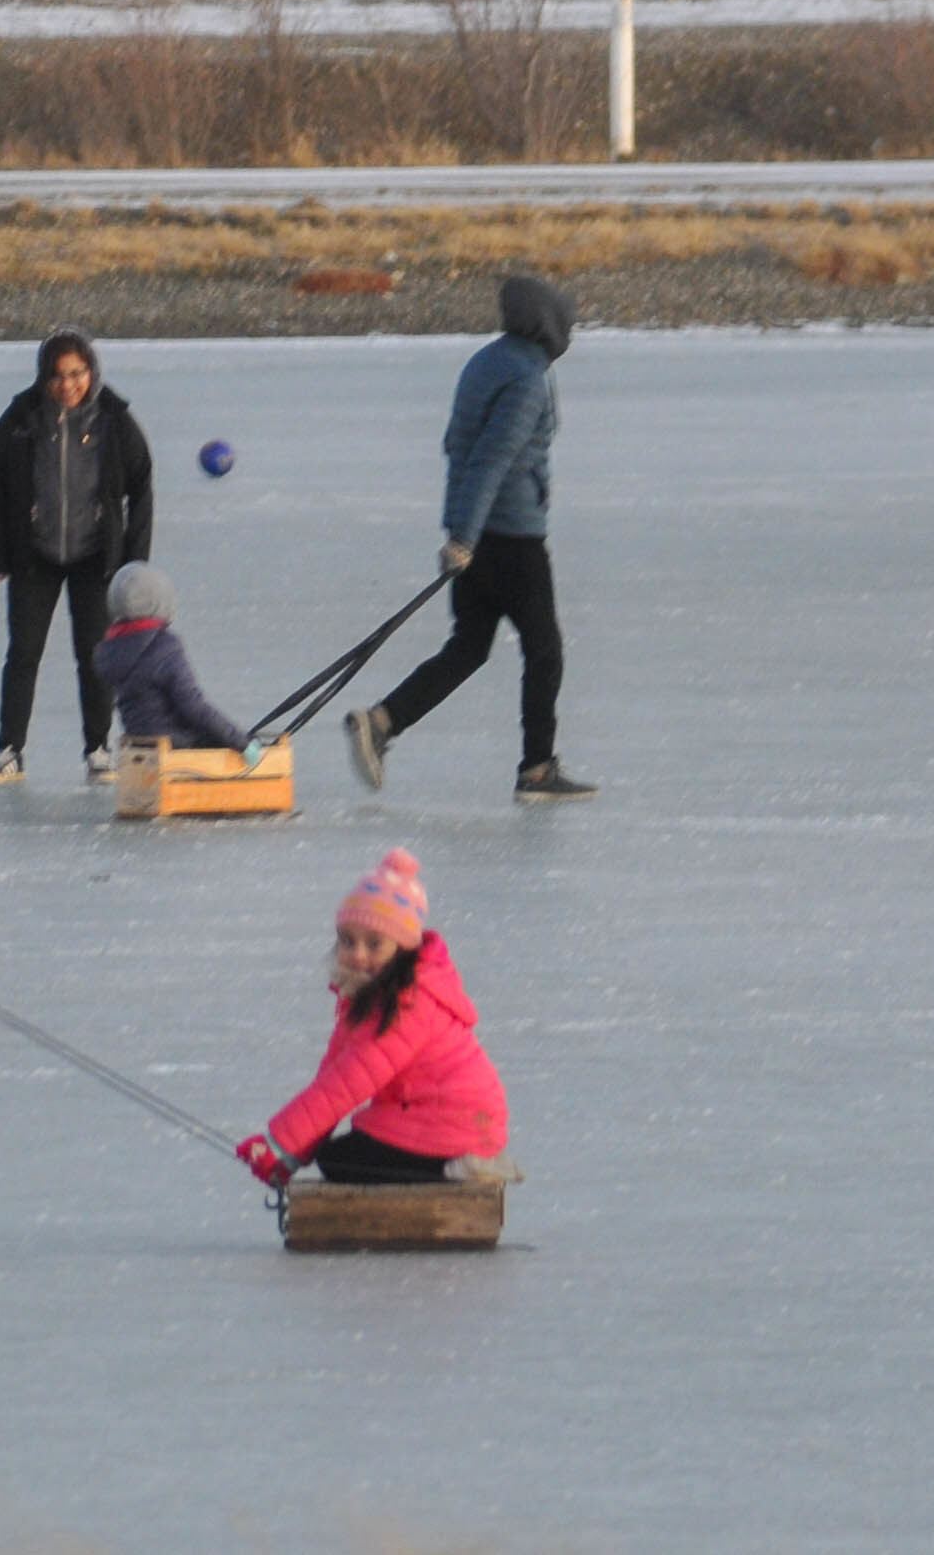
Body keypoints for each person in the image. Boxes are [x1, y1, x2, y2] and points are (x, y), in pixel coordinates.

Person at [344, 274, 597, 802]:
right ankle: (537, 770)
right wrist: (464, 536)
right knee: (544, 650)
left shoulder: (488, 360)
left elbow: (458, 445)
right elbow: (491, 457)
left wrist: (461, 531)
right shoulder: (526, 377)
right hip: (510, 538)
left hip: (480, 533)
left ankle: (383, 721)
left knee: (468, 648)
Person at [236, 849, 518, 1188]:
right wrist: (290, 1151)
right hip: (435, 1120)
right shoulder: (368, 997)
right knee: (340, 1152)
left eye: (374, 944)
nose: (357, 955)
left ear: (401, 948)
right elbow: (333, 1074)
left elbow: (347, 1084)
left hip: (459, 1128)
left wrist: (280, 1144)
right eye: (347, 941)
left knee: (339, 1159)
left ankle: (453, 1173)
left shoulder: (408, 1005)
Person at [0, 327, 156, 784]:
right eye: (58, 376)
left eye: (77, 374)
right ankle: (9, 750)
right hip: (33, 554)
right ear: (45, 377)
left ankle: (97, 750)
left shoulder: (114, 419)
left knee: (94, 655)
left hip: (94, 558)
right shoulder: (22, 417)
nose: (68, 385)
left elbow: (141, 484)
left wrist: (133, 559)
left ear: (91, 373)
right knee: (23, 653)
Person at [91, 561, 252, 754]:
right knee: (224, 744)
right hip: (175, 744)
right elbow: (194, 707)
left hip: (139, 742)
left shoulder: (112, 651)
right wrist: (241, 742)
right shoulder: (164, 647)